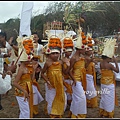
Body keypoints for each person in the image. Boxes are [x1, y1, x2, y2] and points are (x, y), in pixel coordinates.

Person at [13, 35, 42, 118]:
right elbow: (15, 83)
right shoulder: (21, 69)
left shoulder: (29, 67)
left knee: (26, 110)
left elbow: (32, 79)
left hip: (28, 89)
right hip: (21, 91)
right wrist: (24, 91)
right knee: (25, 111)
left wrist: (34, 70)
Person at [41, 35, 67, 118]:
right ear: (49, 54)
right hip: (51, 85)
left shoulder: (61, 62)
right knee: (51, 100)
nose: (55, 55)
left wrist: (68, 65)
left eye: (57, 53)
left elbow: (64, 72)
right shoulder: (48, 63)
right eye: (53, 53)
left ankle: (59, 112)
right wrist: (47, 82)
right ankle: (52, 114)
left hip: (60, 84)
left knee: (63, 98)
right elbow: (42, 73)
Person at [68, 27, 87, 118]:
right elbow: (69, 71)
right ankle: (79, 115)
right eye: (84, 49)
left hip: (81, 78)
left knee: (76, 98)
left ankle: (74, 114)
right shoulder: (74, 58)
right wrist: (74, 79)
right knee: (82, 97)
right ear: (80, 49)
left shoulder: (81, 57)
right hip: (76, 80)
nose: (85, 50)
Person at [99, 38, 119, 118]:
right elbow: (117, 71)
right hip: (109, 84)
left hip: (103, 83)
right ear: (107, 57)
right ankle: (108, 113)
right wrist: (115, 62)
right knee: (109, 99)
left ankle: (103, 112)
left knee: (103, 97)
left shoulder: (101, 63)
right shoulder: (110, 65)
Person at [61, 37, 74, 113]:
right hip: (65, 79)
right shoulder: (62, 60)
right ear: (65, 52)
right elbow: (65, 72)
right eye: (68, 51)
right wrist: (69, 66)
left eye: (71, 51)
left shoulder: (71, 59)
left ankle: (69, 106)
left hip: (70, 79)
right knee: (65, 94)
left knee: (70, 94)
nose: (70, 53)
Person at [85, 42, 98, 108]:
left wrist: (93, 59)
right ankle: (89, 102)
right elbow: (85, 67)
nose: (91, 51)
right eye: (90, 51)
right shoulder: (85, 58)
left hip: (91, 76)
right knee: (90, 90)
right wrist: (90, 61)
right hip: (87, 76)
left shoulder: (90, 57)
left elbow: (95, 62)